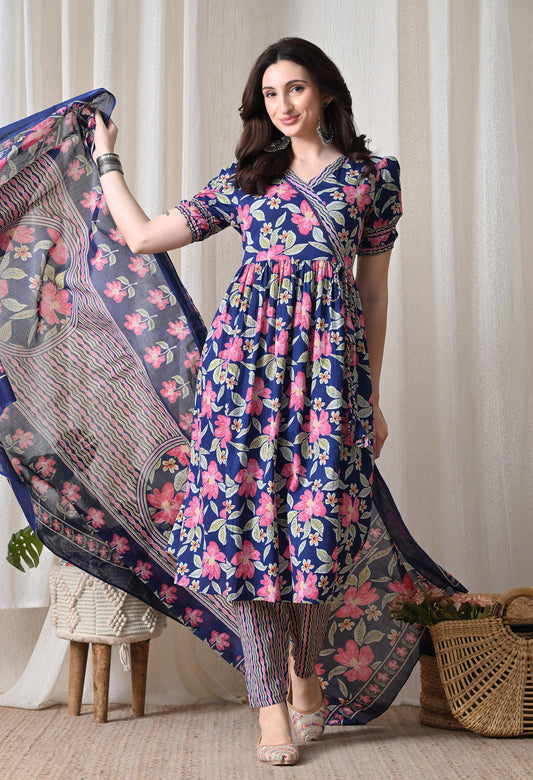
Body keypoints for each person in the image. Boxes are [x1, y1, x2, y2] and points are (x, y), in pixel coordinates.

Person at [93, 37, 401, 765]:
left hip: (326, 382)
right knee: (247, 535)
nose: (283, 104)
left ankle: (304, 675)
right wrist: (108, 159)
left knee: (315, 534)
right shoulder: (245, 181)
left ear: (325, 91)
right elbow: (143, 237)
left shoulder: (372, 178)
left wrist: (370, 396)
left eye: (295, 88)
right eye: (269, 93)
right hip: (244, 383)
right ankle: (269, 707)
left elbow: (373, 293)